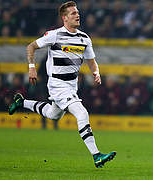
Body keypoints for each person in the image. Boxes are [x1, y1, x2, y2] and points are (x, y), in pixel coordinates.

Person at [8, 1, 116, 168]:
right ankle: (97, 155)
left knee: (53, 114)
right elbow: (31, 47)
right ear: (64, 18)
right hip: (58, 84)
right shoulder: (54, 35)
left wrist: (96, 72)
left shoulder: (84, 38)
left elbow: (92, 61)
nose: (77, 15)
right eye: (73, 13)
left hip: (72, 86)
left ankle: (22, 102)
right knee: (82, 113)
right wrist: (31, 68)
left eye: (77, 12)